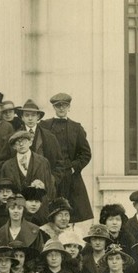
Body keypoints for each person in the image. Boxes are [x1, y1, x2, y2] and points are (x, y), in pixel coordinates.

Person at [38, 93, 93, 222]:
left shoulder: (76, 128)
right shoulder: (44, 125)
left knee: (71, 213)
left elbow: (85, 153)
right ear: (54, 108)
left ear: (69, 107)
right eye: (58, 106)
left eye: (64, 106)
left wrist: (75, 168)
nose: (61, 109)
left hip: (71, 176)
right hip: (51, 174)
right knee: (49, 211)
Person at [0, 100, 64, 187]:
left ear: (38, 117)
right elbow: (1, 163)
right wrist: (11, 182)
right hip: (18, 187)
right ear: (22, 117)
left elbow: (60, 163)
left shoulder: (49, 137)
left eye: (33, 115)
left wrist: (51, 181)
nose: (30, 118)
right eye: (27, 115)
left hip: (42, 187)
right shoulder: (12, 137)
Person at [0, 130, 57, 204]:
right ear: (14, 147)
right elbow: (4, 189)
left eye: (24, 141)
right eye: (17, 142)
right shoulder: (7, 166)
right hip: (17, 207)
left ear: (30, 143)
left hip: (38, 206)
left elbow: (49, 187)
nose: (21, 144)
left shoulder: (43, 162)